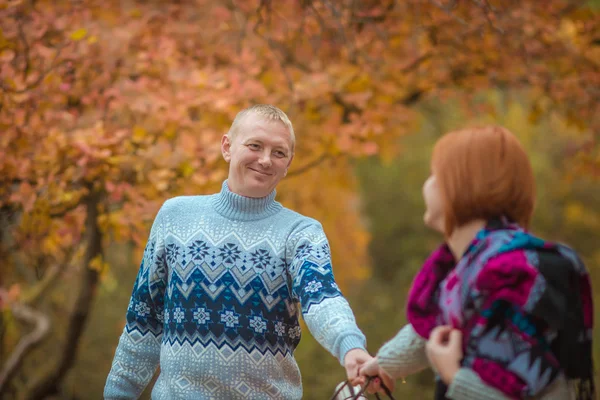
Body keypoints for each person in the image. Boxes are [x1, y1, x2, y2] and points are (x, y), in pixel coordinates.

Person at [104, 104, 372, 399]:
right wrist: (118, 393)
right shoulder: (174, 217)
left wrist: (349, 344)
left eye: (279, 152)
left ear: (289, 162)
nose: (266, 160)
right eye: (255, 146)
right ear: (227, 147)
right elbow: (144, 320)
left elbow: (321, 297)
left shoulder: (301, 233)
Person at [358, 126, 595, 400]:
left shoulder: (511, 274)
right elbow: (438, 329)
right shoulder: (471, 269)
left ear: (461, 185)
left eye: (436, 174)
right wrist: (383, 364)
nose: (428, 183)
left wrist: (454, 376)